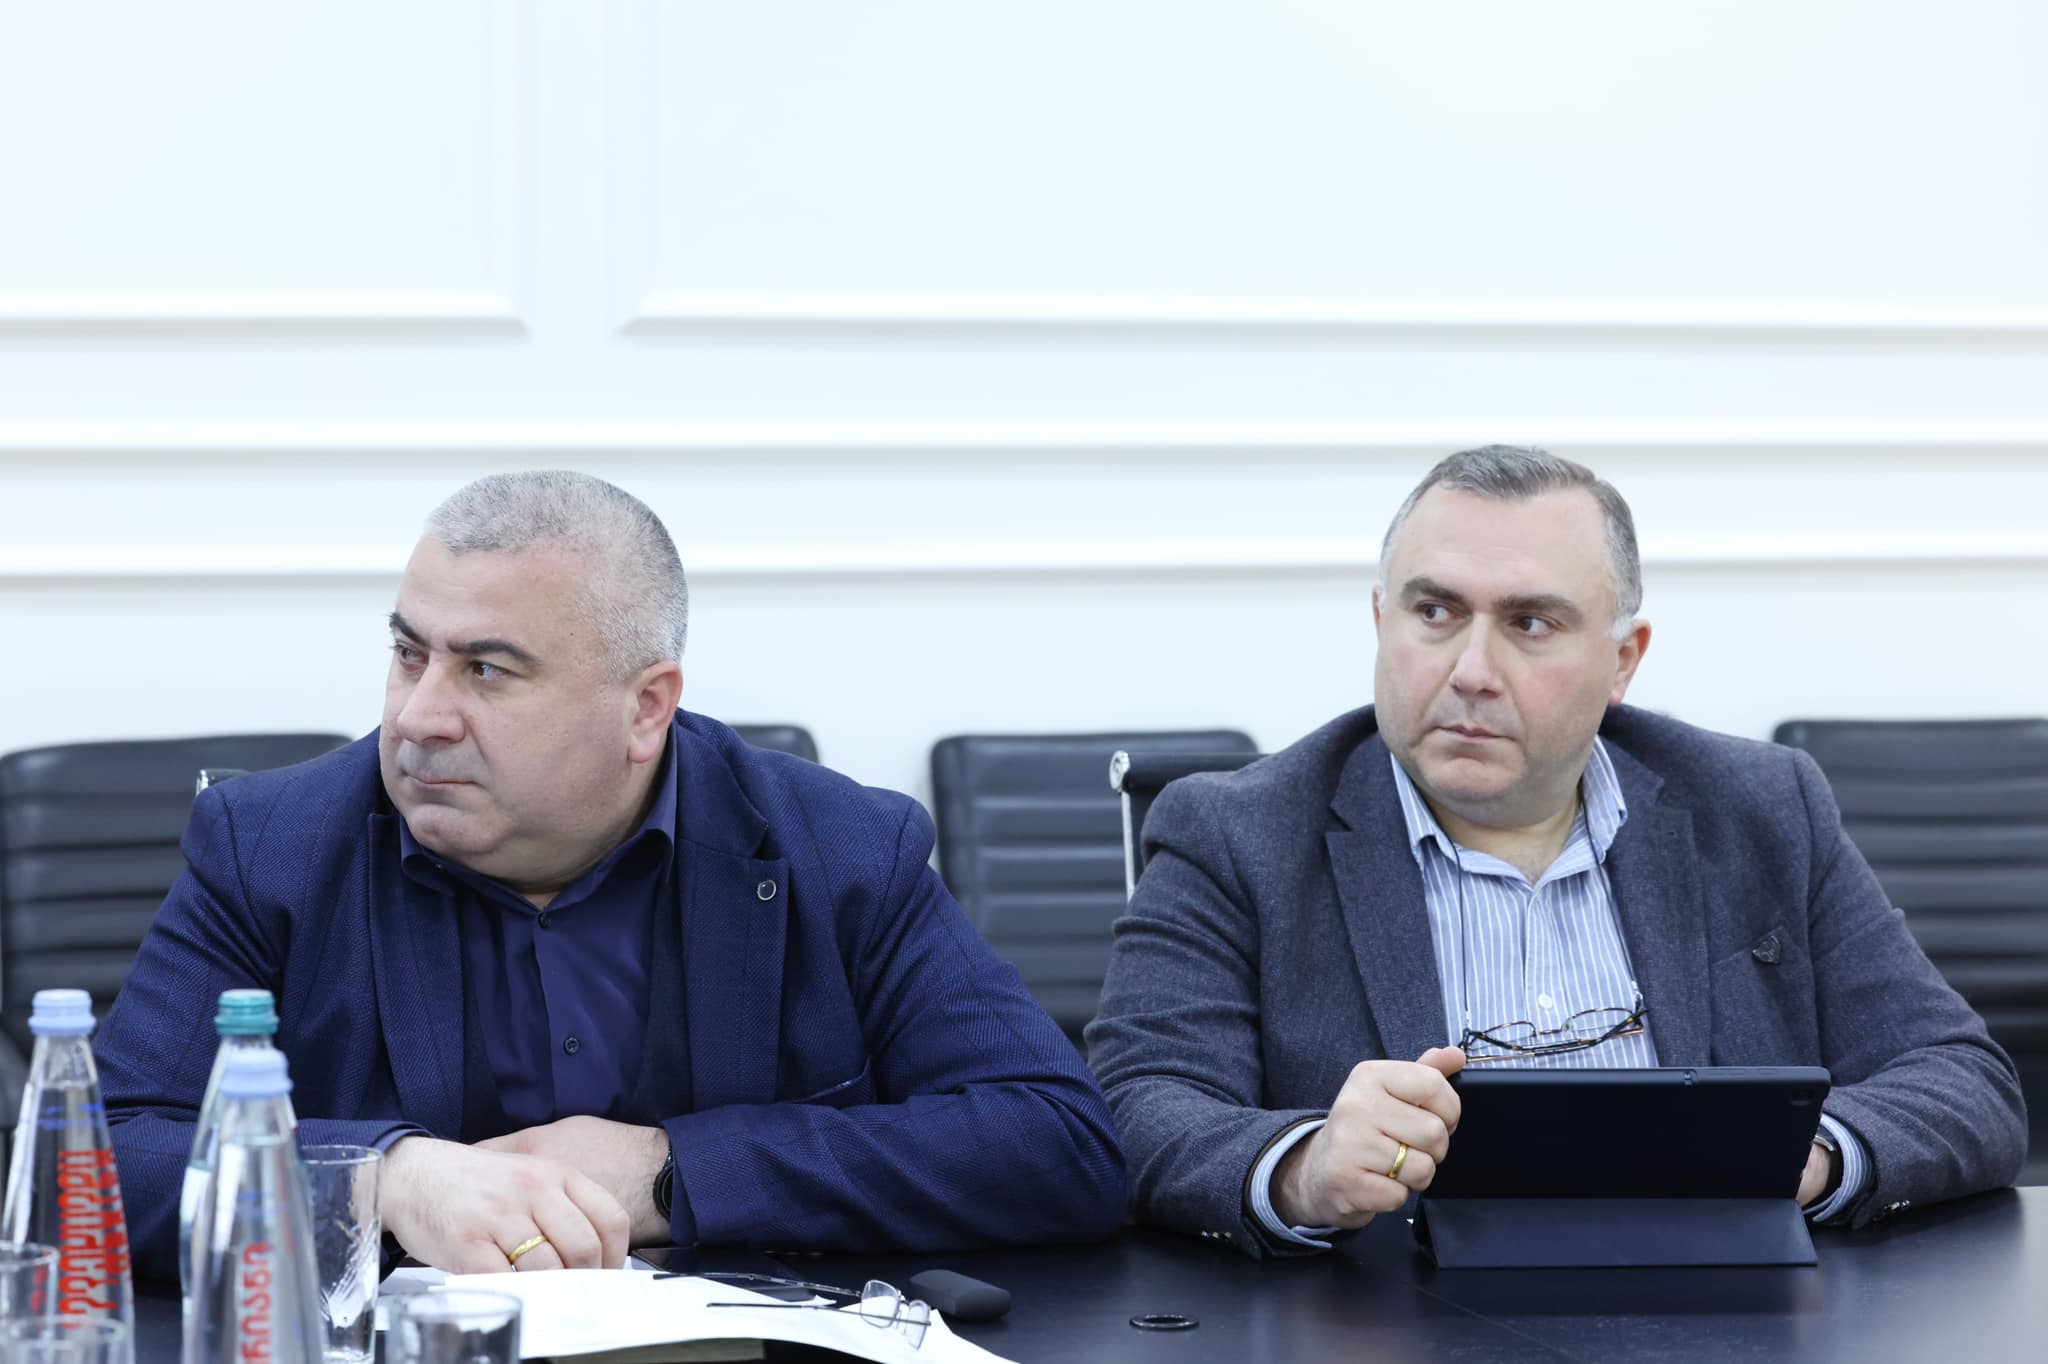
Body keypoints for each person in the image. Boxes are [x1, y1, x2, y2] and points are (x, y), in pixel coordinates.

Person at [97, 471, 1126, 1279]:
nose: (418, 715)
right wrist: (379, 1178)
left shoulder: (839, 848)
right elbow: (92, 1161)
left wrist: (670, 1171)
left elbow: (1058, 1141)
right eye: (410, 654)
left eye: (486, 669)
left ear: (645, 708)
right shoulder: (270, 846)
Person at [1087, 445, 2026, 1257]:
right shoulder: (1235, 833)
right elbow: (1133, 1107)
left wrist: (1797, 1159)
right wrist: (1303, 1166)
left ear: (1623, 661)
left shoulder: (1760, 808)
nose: (1471, 671)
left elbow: (1962, 1079)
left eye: (1529, 624)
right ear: (1381, 621)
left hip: (1722, 1315)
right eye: (1434, 612)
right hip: (1396, 1320)